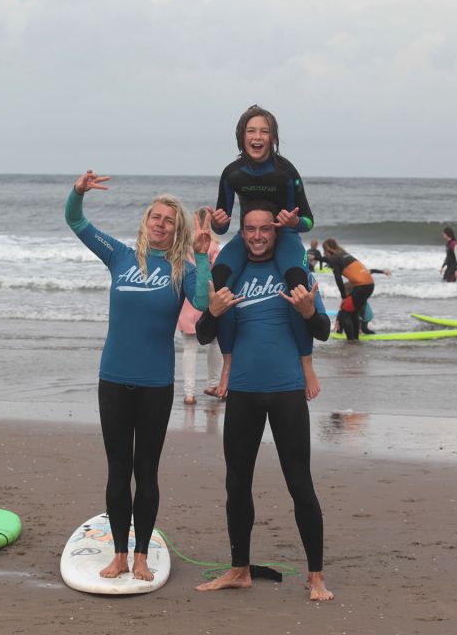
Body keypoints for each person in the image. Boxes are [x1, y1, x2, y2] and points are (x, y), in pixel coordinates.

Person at [65, 169, 210, 581]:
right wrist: (78, 192)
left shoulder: (182, 268)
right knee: (117, 469)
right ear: (145, 221)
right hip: (113, 378)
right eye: (155, 217)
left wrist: (201, 254)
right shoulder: (120, 256)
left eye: (168, 219)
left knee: (146, 471)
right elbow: (77, 222)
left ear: (177, 227)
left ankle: (143, 554)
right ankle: (119, 555)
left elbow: (202, 301)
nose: (160, 223)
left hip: (154, 385)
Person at [194, 207, 334, 602]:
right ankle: (239, 570)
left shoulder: (295, 272)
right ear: (242, 233)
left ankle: (317, 577)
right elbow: (205, 333)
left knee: (300, 484)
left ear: (275, 232)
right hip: (243, 393)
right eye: (250, 229)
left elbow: (323, 330)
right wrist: (214, 310)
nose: (257, 236)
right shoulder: (233, 275)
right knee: (236, 484)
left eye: (264, 229)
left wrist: (308, 311)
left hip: (287, 391)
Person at [209, 105, 314, 297]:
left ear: (273, 138)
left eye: (264, 131)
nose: (257, 137)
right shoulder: (232, 174)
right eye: (251, 131)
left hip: (286, 236)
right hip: (248, 237)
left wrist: (294, 222)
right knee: (217, 279)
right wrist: (216, 223)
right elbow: (221, 228)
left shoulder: (286, 171)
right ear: (241, 136)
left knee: (298, 285)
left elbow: (308, 221)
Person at [177, 209, 223, 405]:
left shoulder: (183, 246)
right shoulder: (214, 246)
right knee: (215, 344)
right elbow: (219, 274)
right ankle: (213, 384)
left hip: (188, 300)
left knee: (189, 348)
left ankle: (189, 393)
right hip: (207, 298)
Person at [322, 238, 390, 340]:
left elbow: (338, 278)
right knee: (353, 313)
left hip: (362, 287)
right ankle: (355, 339)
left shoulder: (334, 258)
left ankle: (351, 341)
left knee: (345, 314)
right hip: (369, 285)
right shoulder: (345, 255)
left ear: (326, 250)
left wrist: (343, 296)